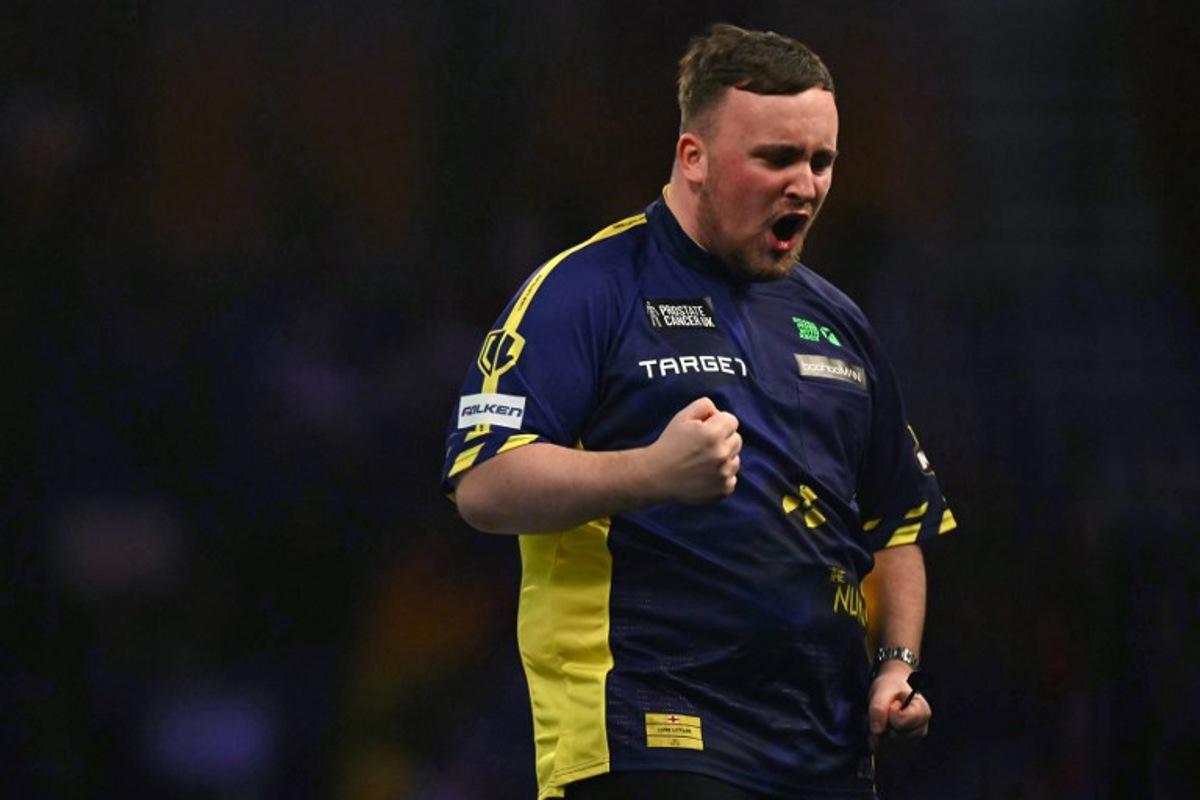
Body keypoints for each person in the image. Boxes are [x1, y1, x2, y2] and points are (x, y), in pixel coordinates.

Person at [441, 23, 956, 800]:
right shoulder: (586, 290)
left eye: (821, 161)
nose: (806, 185)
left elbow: (896, 524)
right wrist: (653, 472)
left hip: (825, 749)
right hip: (648, 728)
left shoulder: (840, 322)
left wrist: (896, 667)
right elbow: (483, 484)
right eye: (776, 158)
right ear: (694, 157)